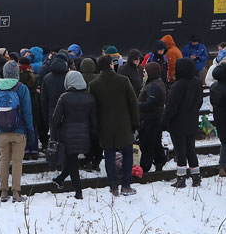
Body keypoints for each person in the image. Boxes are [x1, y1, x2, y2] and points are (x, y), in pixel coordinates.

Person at [89, 56, 140, 195]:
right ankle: (126, 185)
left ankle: (113, 186)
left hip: (105, 126)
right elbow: (133, 103)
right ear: (111, 65)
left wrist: (95, 127)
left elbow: (92, 108)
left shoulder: (94, 85)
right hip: (124, 124)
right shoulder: (123, 81)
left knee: (109, 156)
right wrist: (135, 123)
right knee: (128, 154)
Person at [0, 61, 34, 202]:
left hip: (1, 131)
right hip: (19, 131)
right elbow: (27, 111)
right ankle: (16, 192)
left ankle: (3, 191)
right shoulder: (22, 89)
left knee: (3, 160)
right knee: (17, 162)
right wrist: (30, 129)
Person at [49, 70, 94, 199]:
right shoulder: (89, 97)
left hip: (67, 134)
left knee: (72, 161)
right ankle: (60, 179)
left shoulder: (64, 97)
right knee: (72, 160)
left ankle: (78, 191)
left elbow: (55, 120)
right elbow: (94, 119)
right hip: (84, 134)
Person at [136, 62, 168, 175]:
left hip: (149, 119)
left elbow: (150, 103)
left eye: (145, 71)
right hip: (156, 117)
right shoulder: (158, 83)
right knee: (155, 141)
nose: (144, 73)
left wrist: (136, 105)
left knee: (147, 143)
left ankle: (145, 166)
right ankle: (160, 160)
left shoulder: (153, 86)